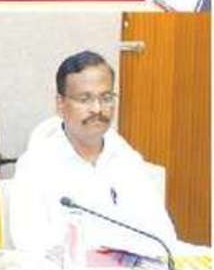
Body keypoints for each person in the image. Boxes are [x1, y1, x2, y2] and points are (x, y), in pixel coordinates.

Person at [9, 51, 177, 258]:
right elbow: (29, 243)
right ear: (60, 104)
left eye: (106, 98)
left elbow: (163, 236)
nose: (97, 109)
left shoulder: (128, 160)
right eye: (85, 99)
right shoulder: (36, 164)